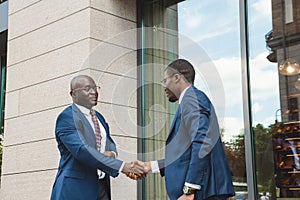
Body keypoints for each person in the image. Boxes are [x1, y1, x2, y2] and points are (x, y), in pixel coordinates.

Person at [133, 59, 235, 200]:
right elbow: (184, 155)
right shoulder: (190, 100)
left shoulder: (191, 98)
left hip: (203, 194)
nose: (164, 86)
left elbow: (202, 142)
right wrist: (150, 166)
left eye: (165, 80)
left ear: (176, 78)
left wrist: (189, 190)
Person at [50, 75, 145, 200]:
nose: (94, 92)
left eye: (95, 88)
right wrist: (122, 166)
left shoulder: (99, 117)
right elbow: (81, 150)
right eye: (88, 88)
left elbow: (109, 142)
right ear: (73, 94)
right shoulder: (67, 117)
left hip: (102, 187)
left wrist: (112, 153)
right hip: (76, 189)